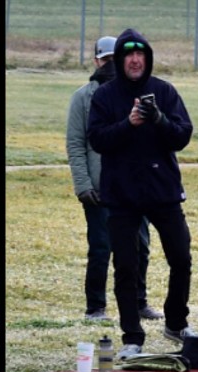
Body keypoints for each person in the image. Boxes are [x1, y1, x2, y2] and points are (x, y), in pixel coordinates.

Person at [88, 28, 198, 360]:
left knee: (181, 257)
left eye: (141, 55)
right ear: (120, 60)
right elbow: (97, 139)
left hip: (162, 191)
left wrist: (159, 119)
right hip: (121, 195)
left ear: (147, 59)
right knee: (126, 266)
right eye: (129, 55)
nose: (135, 60)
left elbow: (182, 135)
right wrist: (129, 123)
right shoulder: (105, 96)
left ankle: (176, 322)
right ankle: (132, 337)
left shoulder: (164, 91)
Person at [66, 35, 162, 323]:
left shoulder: (135, 93)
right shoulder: (83, 97)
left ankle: (138, 302)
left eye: (113, 59)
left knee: (140, 247)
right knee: (100, 248)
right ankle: (95, 307)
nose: (109, 65)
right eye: (105, 59)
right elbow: (75, 143)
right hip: (99, 189)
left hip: (135, 187)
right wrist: (83, 184)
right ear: (96, 61)